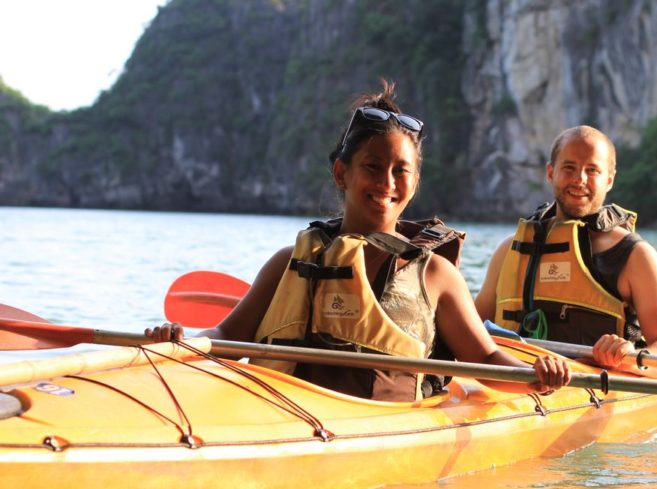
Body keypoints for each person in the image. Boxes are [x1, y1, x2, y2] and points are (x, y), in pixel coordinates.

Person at [146, 81, 570, 401]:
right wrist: (181, 340)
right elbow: (225, 336)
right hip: (288, 413)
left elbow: (485, 359)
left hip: (382, 427)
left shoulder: (435, 275)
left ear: (415, 183)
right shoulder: (288, 262)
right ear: (341, 173)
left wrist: (537, 377)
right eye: (372, 166)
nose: (386, 181)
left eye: (401, 170)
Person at [474, 125, 657, 376]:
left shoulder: (634, 256)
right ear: (550, 172)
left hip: (588, 385)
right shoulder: (509, 250)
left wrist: (628, 357)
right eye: (569, 167)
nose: (579, 179)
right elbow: (471, 328)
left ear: (609, 180)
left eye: (592, 170)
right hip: (512, 378)